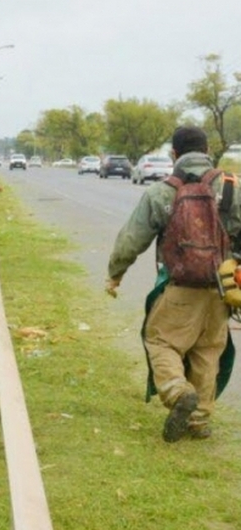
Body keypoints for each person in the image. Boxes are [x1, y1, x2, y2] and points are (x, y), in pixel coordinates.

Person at [106, 126, 241, 442]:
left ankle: (177, 392)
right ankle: (198, 420)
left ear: (174, 155)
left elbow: (131, 239)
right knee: (208, 351)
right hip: (223, 289)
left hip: (180, 286)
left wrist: (116, 273)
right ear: (207, 150)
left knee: (161, 340)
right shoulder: (233, 187)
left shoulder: (162, 191)